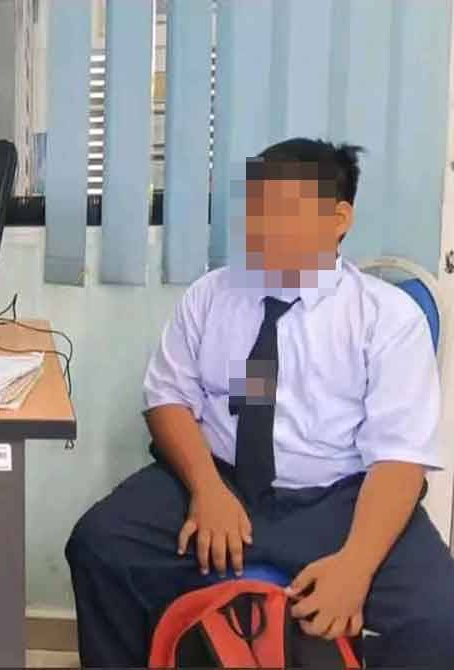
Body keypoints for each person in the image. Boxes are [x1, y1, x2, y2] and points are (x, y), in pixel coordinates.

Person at [66, 138, 454, 667]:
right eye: (255, 208)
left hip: (338, 498)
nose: (261, 227)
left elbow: (399, 459)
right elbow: (168, 400)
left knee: (437, 616)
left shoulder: (386, 318)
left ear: (338, 218)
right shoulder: (211, 295)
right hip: (221, 480)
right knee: (100, 545)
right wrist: (207, 489)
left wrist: (356, 567)